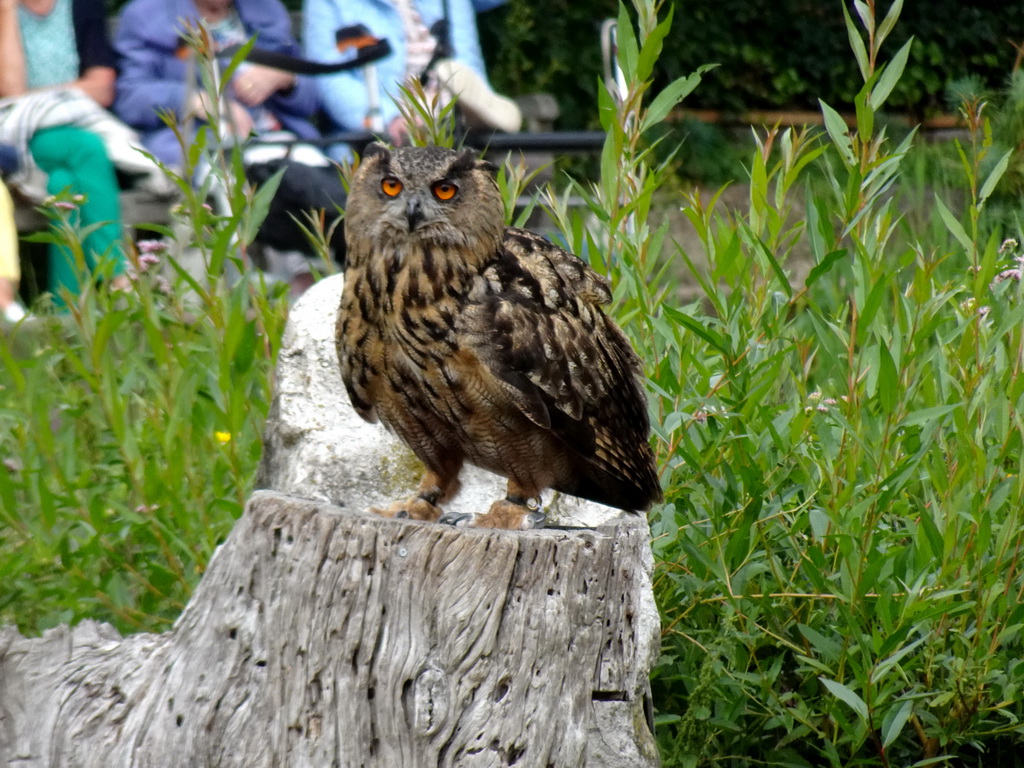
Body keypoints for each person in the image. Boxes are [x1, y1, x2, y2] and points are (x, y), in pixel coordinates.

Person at [114, 0, 347, 293]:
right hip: (208, 146)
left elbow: (310, 100)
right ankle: (266, 297)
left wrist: (283, 78)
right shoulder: (148, 15)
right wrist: (201, 100)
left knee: (312, 174)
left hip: (281, 138)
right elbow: (131, 98)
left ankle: (318, 286)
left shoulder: (266, 10)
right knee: (246, 185)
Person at [0, 0, 130, 304]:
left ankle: (67, 309)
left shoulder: (84, 6)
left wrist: (38, 101)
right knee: (87, 147)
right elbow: (10, 91)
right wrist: (6, 12)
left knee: (63, 185)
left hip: (73, 127)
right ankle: (117, 274)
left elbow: (102, 88)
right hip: (18, 136)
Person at [302, 0, 520, 147]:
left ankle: (462, 115)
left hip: (449, 110)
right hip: (381, 128)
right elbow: (329, 78)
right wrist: (391, 119)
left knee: (458, 79)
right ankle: (453, 119)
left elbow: (467, 60)